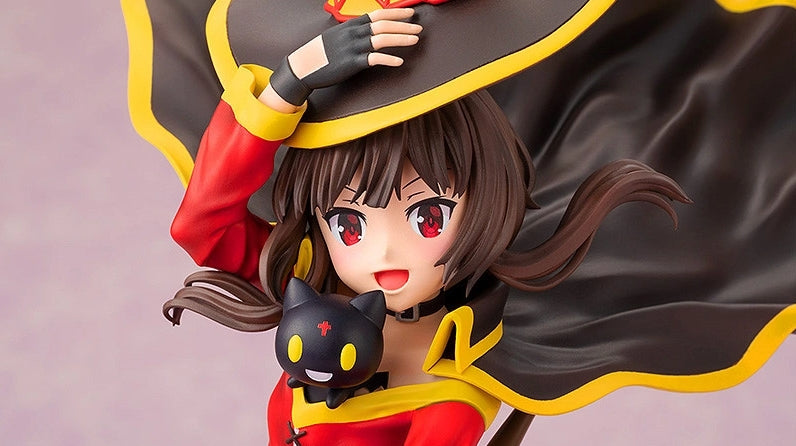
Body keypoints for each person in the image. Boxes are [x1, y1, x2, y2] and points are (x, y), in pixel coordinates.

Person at [163, 8, 689, 445]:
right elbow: (202, 225)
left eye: (427, 216)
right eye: (348, 224)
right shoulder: (315, 280)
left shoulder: (458, 383)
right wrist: (288, 84)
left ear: (484, 200)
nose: (385, 253)